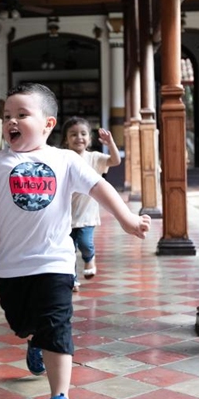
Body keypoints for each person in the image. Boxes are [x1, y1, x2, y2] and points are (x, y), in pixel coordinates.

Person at [0, 83, 150, 399]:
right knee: (21, 322)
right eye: (7, 116)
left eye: (21, 115)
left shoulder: (64, 160)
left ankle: (60, 398)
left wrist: (127, 219)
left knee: (57, 325)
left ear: (47, 124)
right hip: (12, 269)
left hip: (56, 264)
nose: (11, 121)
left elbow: (100, 187)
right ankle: (34, 340)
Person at [61, 117, 121, 291]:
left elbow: (115, 161)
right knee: (68, 250)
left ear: (89, 138)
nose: (78, 137)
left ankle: (89, 258)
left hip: (87, 214)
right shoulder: (63, 157)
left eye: (83, 133)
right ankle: (72, 279)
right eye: (73, 134)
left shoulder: (94, 158)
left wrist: (110, 143)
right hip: (65, 216)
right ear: (66, 139)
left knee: (86, 244)